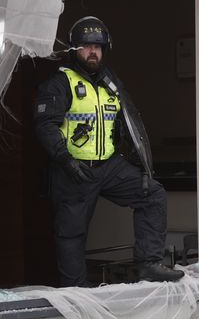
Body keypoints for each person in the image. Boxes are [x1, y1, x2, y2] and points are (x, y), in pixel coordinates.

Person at [34, 16, 183, 287]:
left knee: (153, 194)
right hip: (74, 169)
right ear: (74, 49)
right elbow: (45, 125)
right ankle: (76, 294)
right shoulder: (59, 83)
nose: (94, 51)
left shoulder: (109, 82)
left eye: (98, 47)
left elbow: (128, 122)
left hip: (110, 166)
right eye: (87, 46)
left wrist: (139, 164)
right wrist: (65, 160)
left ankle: (149, 264)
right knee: (71, 234)